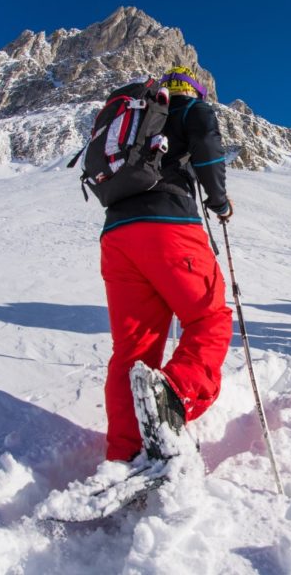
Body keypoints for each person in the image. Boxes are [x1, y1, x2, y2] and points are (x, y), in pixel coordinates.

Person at [100, 66, 233, 462]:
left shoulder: (136, 115)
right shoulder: (191, 108)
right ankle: (171, 404)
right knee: (210, 320)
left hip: (117, 235)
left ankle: (124, 453)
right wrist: (220, 202)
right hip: (170, 226)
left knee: (133, 349)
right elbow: (209, 150)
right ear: (193, 90)